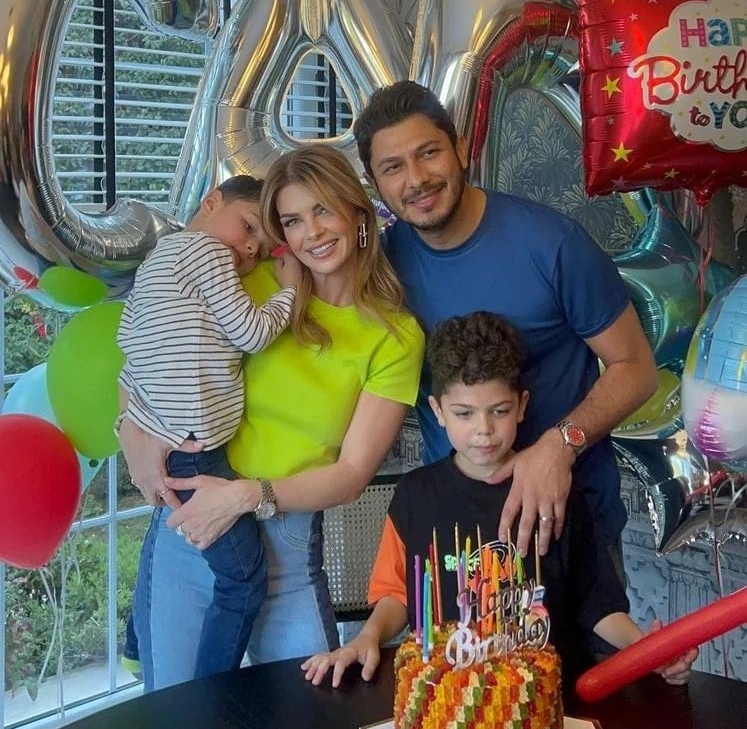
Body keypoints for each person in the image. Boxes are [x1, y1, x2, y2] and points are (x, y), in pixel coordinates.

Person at [119, 146, 425, 691]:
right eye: (292, 220)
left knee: (306, 723)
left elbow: (352, 473)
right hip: (190, 536)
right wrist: (130, 436)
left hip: (287, 548)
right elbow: (145, 358)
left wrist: (246, 496)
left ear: (358, 213)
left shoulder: (395, 336)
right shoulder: (247, 281)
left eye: (323, 209)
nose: (312, 233)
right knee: (177, 719)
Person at [302, 311, 697, 689]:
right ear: (438, 411)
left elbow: (597, 603)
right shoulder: (415, 496)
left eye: (500, 411)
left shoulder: (555, 490)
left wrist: (648, 650)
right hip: (449, 700)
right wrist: (367, 636)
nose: (484, 430)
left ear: (521, 406)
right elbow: (397, 595)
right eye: (464, 413)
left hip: (545, 700)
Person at [353, 81, 659, 563]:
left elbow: (637, 369)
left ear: (460, 149)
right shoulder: (382, 270)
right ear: (374, 181)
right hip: (457, 536)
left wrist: (560, 445)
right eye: (393, 167)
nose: (416, 179)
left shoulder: (553, 245)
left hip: (571, 529)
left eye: (429, 153)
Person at [117, 175, 302, 679]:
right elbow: (251, 332)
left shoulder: (154, 264)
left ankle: (139, 644)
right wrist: (289, 292)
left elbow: (128, 348)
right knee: (243, 581)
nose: (251, 248)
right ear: (211, 201)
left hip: (168, 439)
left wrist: (133, 424)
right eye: (248, 227)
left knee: (183, 555)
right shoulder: (207, 252)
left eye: (262, 245)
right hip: (195, 451)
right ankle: (210, 691)